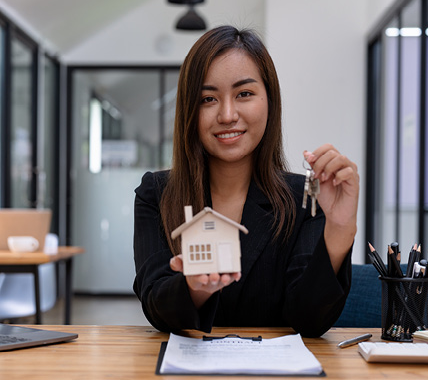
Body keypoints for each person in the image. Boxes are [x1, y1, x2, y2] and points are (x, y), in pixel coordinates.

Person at [133, 25, 359, 337]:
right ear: (189, 111)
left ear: (270, 101)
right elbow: (156, 308)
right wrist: (194, 287)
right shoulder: (157, 194)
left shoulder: (305, 197)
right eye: (208, 99)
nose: (227, 114)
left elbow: (308, 321)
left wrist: (341, 227)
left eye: (244, 94)